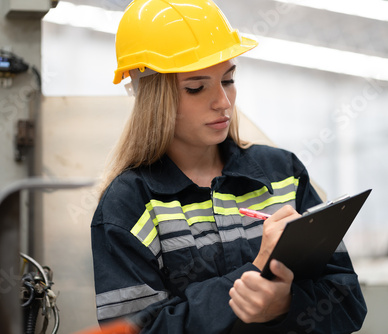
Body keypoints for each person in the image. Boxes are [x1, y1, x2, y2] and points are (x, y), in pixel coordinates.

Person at [90, 0, 367, 333]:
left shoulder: (282, 175)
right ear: (153, 98)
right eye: (196, 87)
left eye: (229, 80)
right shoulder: (129, 207)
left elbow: (348, 302)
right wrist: (253, 273)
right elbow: (135, 329)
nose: (223, 101)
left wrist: (285, 305)